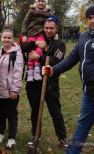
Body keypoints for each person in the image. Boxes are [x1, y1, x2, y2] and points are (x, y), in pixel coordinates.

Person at [42, 3, 94, 154]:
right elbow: (72, 58)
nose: (92, 21)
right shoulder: (85, 36)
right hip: (88, 92)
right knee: (82, 126)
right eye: (90, 18)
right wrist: (53, 70)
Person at [20, 16, 69, 148]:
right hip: (33, 83)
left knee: (55, 111)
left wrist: (39, 57)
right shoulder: (36, 38)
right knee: (35, 111)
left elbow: (56, 61)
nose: (48, 30)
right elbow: (21, 48)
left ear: (56, 29)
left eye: (51, 28)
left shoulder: (60, 44)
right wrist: (35, 44)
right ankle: (35, 136)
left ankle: (62, 138)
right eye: (46, 28)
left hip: (50, 84)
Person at [0, 29, 24, 149]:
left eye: (9, 38)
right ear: (1, 38)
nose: (6, 40)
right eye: (4, 37)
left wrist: (15, 90)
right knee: (0, 113)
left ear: (13, 39)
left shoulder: (16, 53)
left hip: (10, 90)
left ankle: (11, 137)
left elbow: (18, 72)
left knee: (11, 115)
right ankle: (0, 133)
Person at [21, 0, 52, 82]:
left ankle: (37, 71)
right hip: (31, 33)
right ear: (36, 2)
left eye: (43, 1)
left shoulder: (48, 13)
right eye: (39, 1)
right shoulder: (32, 11)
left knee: (39, 50)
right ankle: (30, 72)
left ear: (46, 3)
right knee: (32, 52)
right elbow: (25, 22)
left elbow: (53, 22)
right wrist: (24, 34)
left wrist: (55, 33)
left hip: (41, 34)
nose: (41, 3)